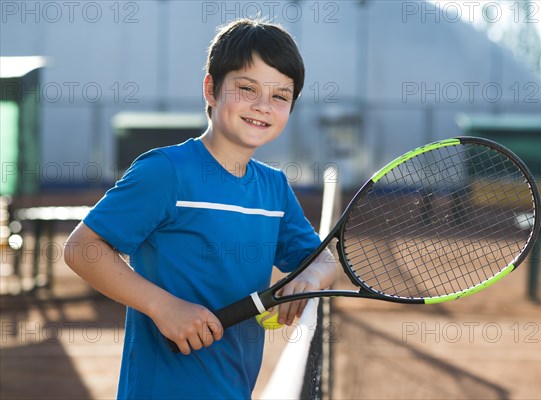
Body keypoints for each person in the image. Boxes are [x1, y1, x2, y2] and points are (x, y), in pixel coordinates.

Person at [65, 18, 337, 399]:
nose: (262, 106)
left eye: (280, 96)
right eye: (246, 88)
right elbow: (82, 247)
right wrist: (164, 308)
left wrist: (309, 280)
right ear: (211, 89)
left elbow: (323, 259)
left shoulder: (273, 188)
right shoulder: (166, 171)